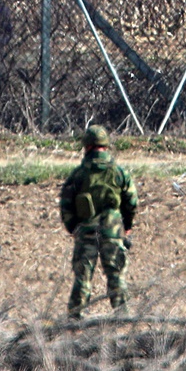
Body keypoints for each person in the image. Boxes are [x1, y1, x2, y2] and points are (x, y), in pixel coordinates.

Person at [59, 124, 138, 319]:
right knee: (116, 275)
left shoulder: (78, 174)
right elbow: (131, 202)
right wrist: (126, 226)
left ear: (86, 147)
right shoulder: (119, 172)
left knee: (83, 277)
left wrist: (73, 228)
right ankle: (123, 317)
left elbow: (66, 204)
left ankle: (75, 318)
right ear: (106, 146)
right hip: (113, 231)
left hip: (86, 232)